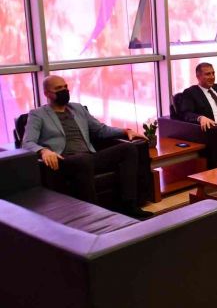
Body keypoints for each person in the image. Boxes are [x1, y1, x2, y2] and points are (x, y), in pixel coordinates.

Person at [22, 75, 152, 219]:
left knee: (128, 149)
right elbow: (27, 142)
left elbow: (100, 130)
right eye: (58, 88)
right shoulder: (37, 114)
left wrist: (125, 131)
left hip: (89, 157)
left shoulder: (77, 108)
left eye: (65, 87)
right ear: (47, 93)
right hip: (64, 161)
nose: (64, 90)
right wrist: (44, 151)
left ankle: (129, 205)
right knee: (83, 160)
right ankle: (95, 217)